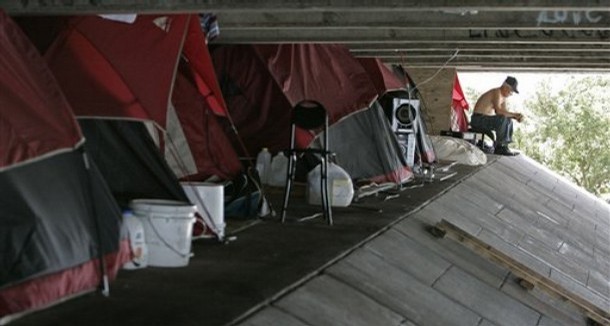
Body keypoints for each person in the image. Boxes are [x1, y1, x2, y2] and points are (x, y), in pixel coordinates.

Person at [471, 76, 524, 156]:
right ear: (506, 87)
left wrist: (515, 117)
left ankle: (504, 146)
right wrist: (514, 114)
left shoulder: (503, 98)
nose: (511, 94)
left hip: (484, 119)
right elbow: (498, 111)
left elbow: (505, 113)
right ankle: (500, 147)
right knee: (502, 119)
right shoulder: (497, 92)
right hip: (478, 119)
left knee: (508, 119)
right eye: (511, 91)